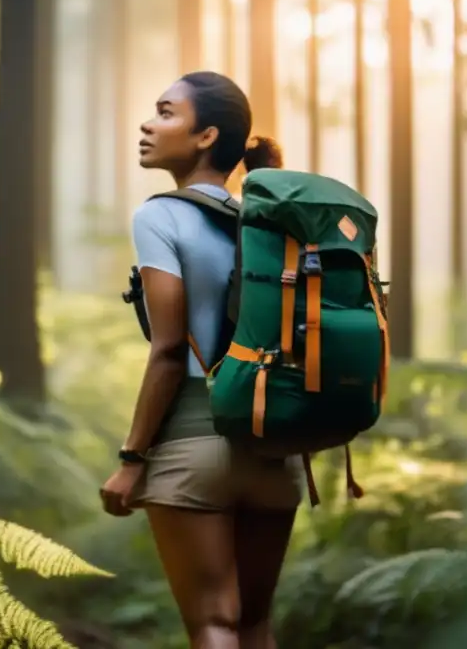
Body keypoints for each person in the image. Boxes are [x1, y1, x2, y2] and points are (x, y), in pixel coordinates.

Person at [99, 71, 301, 649]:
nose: (147, 123)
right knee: (255, 625)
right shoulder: (265, 225)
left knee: (214, 623)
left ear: (207, 134)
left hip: (192, 443)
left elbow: (168, 351)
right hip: (273, 448)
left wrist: (132, 458)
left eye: (165, 112)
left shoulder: (160, 217)